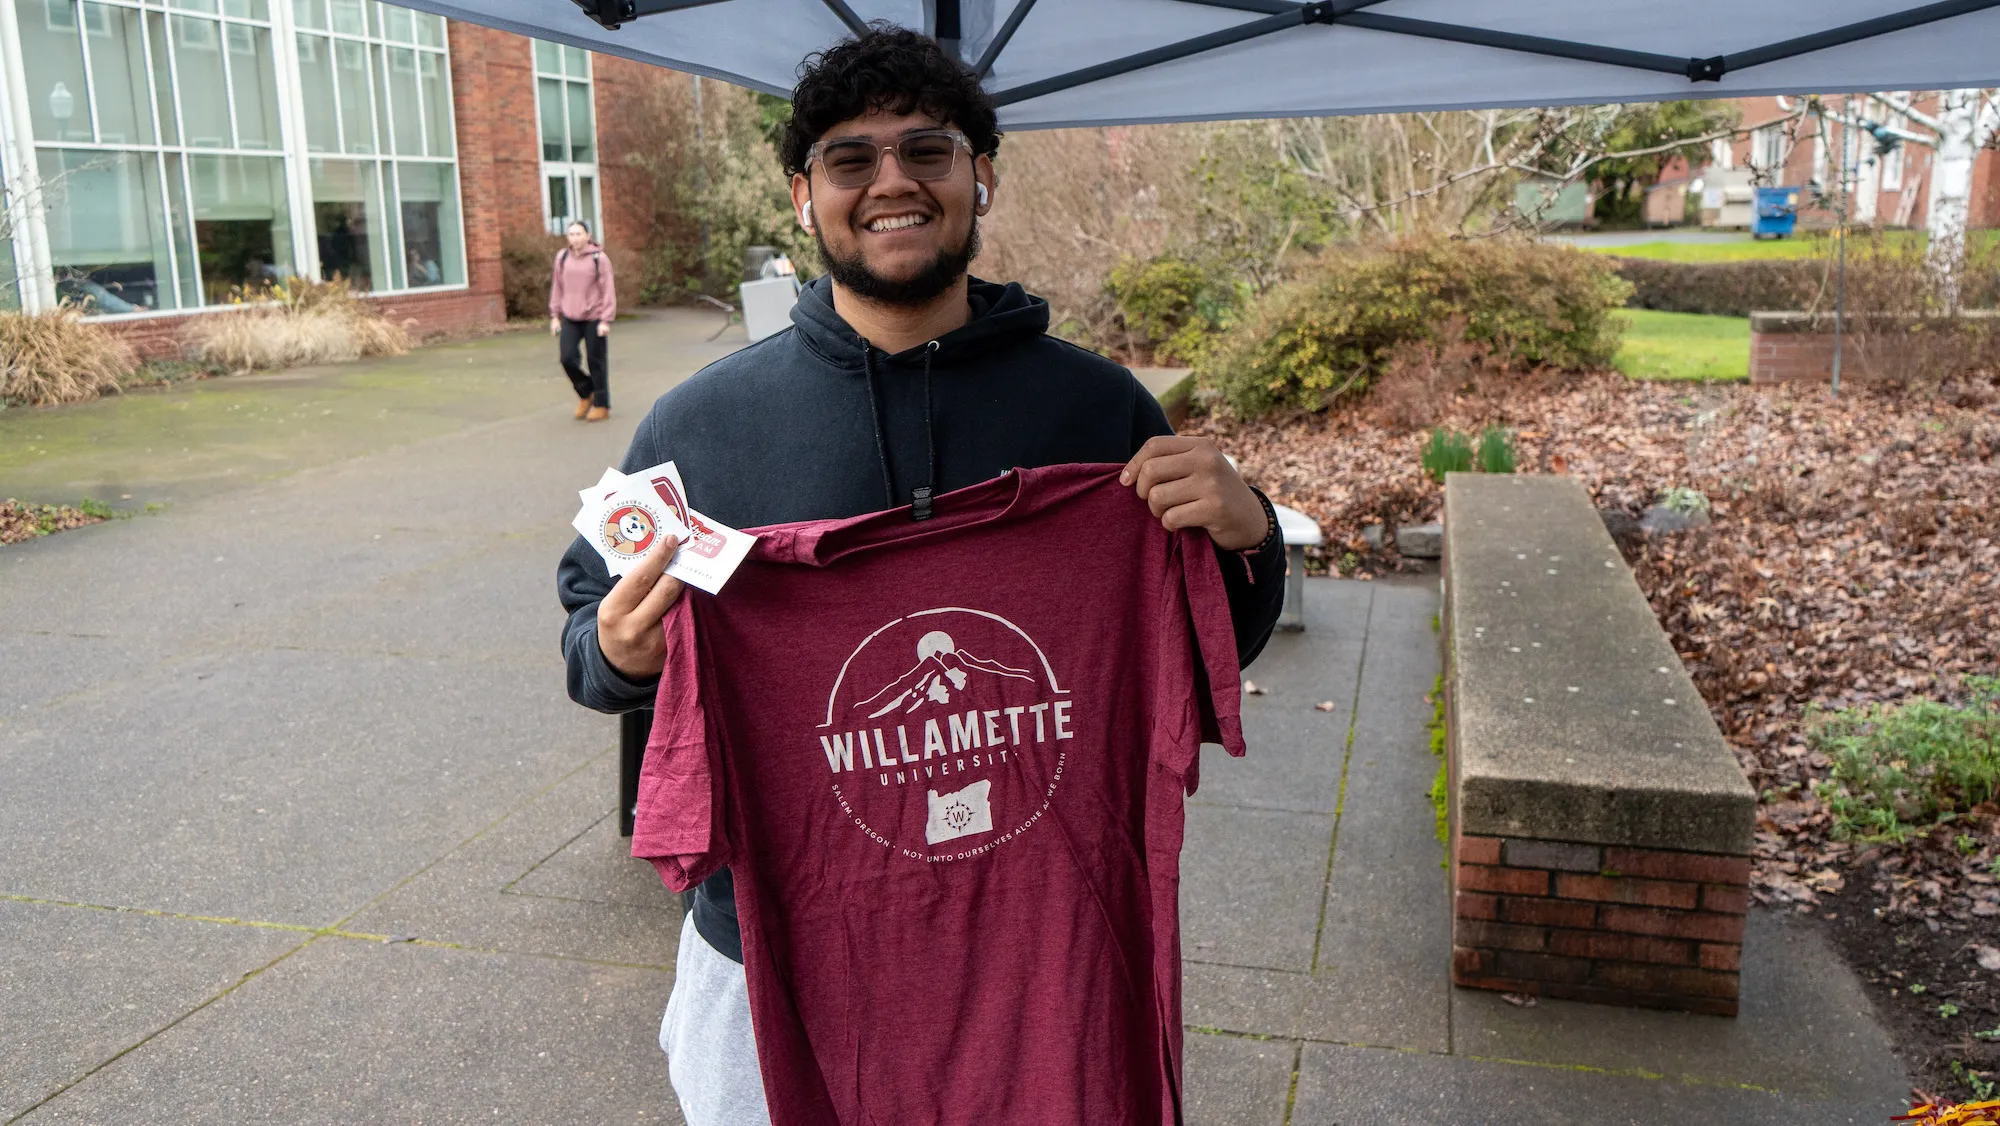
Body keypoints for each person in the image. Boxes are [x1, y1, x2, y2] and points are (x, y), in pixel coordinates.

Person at [556, 28, 1284, 1126]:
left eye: (927, 152)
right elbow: (585, 636)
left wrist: (1249, 536)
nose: (890, 181)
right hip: (772, 954)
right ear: (804, 197)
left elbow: (1195, 637)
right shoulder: (702, 428)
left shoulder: (1096, 414)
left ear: (979, 176)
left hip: (1040, 957)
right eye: (850, 160)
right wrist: (616, 651)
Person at [549, 219, 616, 421]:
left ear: (587, 236)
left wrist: (606, 320)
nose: (575, 238)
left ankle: (601, 405)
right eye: (572, 234)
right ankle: (586, 392)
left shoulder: (599, 258)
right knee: (566, 358)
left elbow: (608, 290)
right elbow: (557, 287)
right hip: (570, 316)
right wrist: (555, 316)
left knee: (596, 362)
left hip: (594, 317)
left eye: (579, 234)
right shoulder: (562, 258)